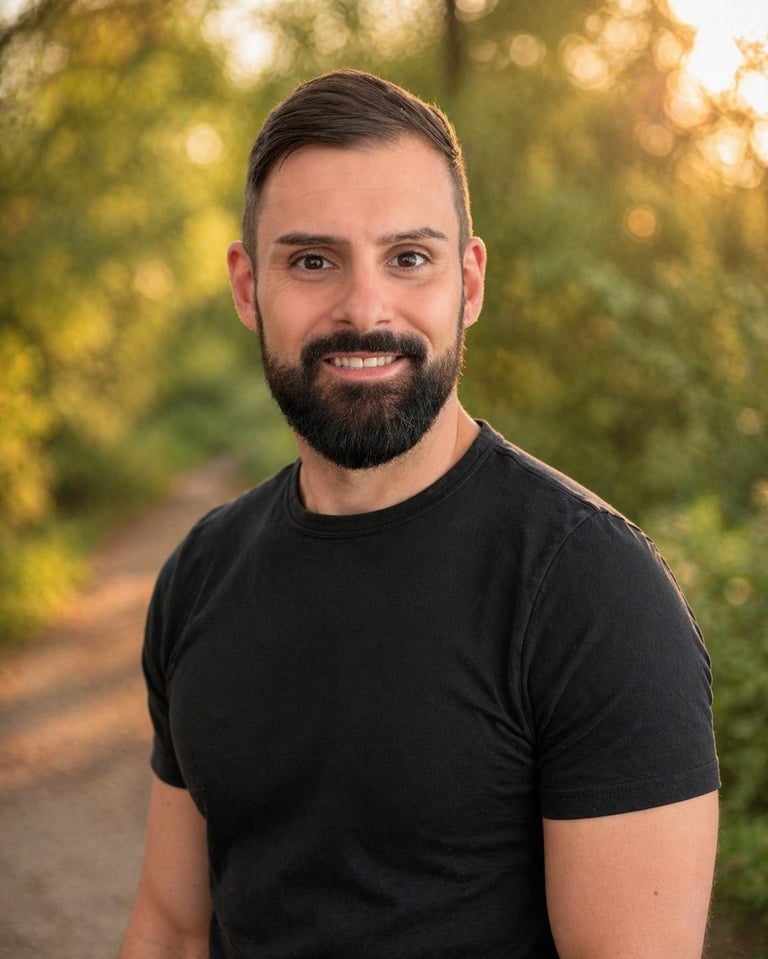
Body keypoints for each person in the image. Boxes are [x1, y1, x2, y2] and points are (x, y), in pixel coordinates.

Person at [119, 70, 719, 959]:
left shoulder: (592, 593)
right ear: (248, 287)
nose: (365, 309)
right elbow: (172, 928)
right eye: (312, 260)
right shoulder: (201, 573)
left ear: (468, 282)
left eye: (408, 258)